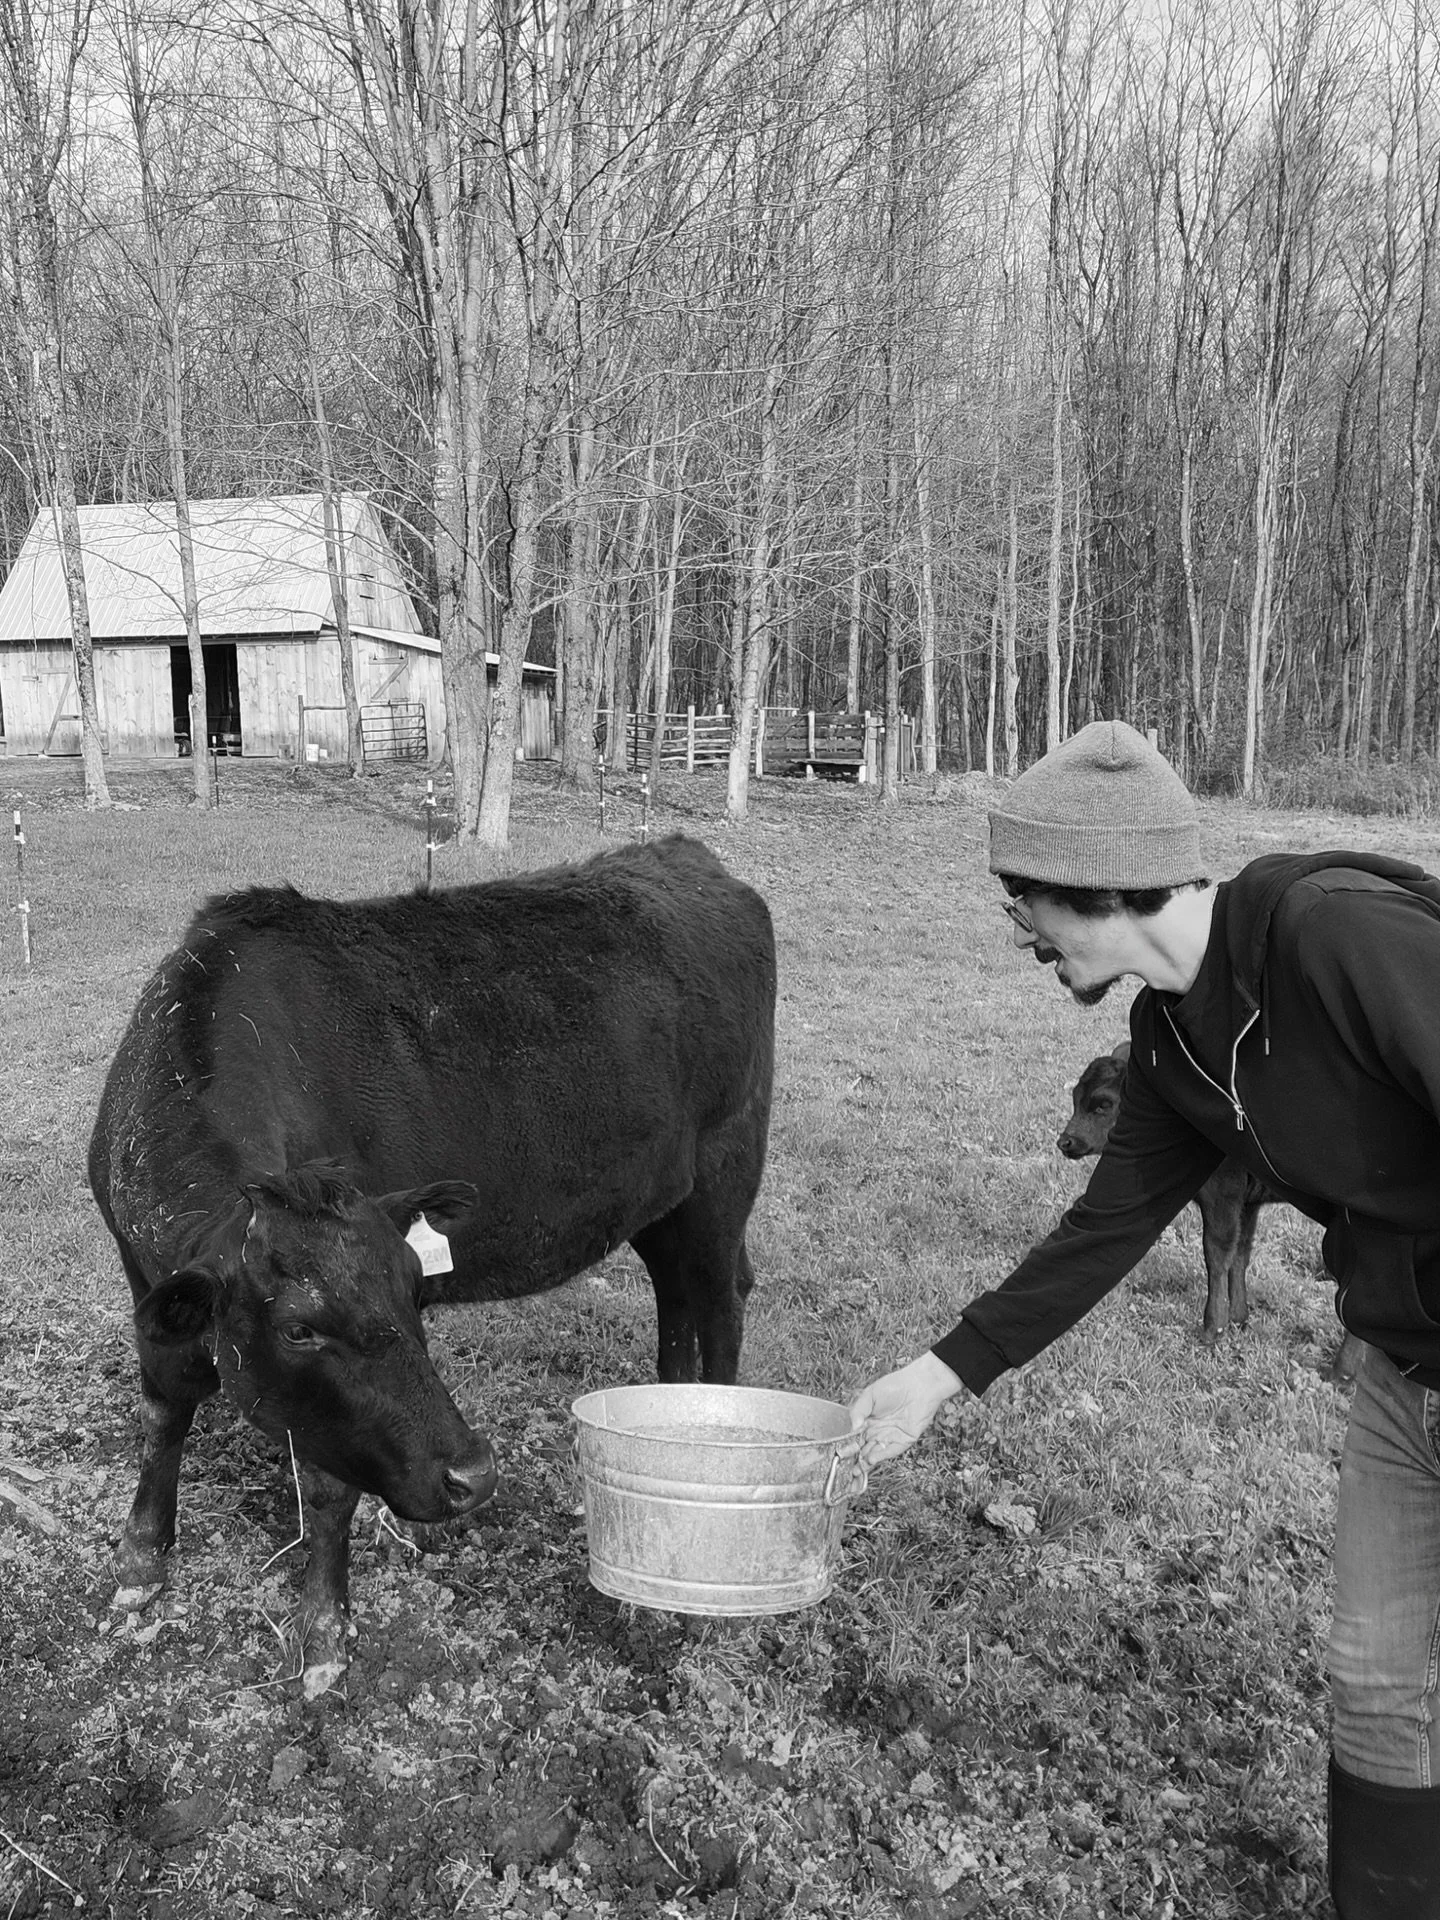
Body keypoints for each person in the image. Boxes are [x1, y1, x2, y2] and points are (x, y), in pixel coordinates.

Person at [849, 719, 1440, 1920]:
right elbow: (1101, 1232)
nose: (1017, 930)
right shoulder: (1168, 1041)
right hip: (1397, 1370)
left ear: (1099, 887)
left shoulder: (1333, 939)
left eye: (1023, 901)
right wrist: (934, 1379)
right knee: (1376, 1686)